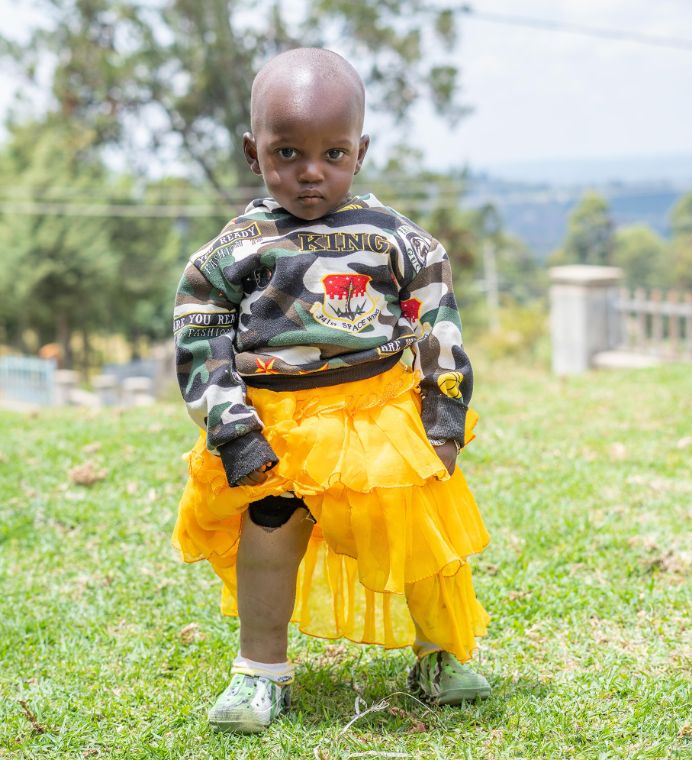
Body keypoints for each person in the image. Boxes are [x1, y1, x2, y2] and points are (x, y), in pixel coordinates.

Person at [172, 47, 491, 734]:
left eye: (333, 153)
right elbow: (202, 345)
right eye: (287, 153)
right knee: (269, 530)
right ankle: (260, 672)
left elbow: (436, 325)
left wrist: (443, 419)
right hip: (276, 424)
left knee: (417, 537)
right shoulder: (233, 252)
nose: (311, 172)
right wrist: (232, 430)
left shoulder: (397, 241)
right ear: (253, 151)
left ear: (361, 150)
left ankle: (439, 655)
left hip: (380, 420)